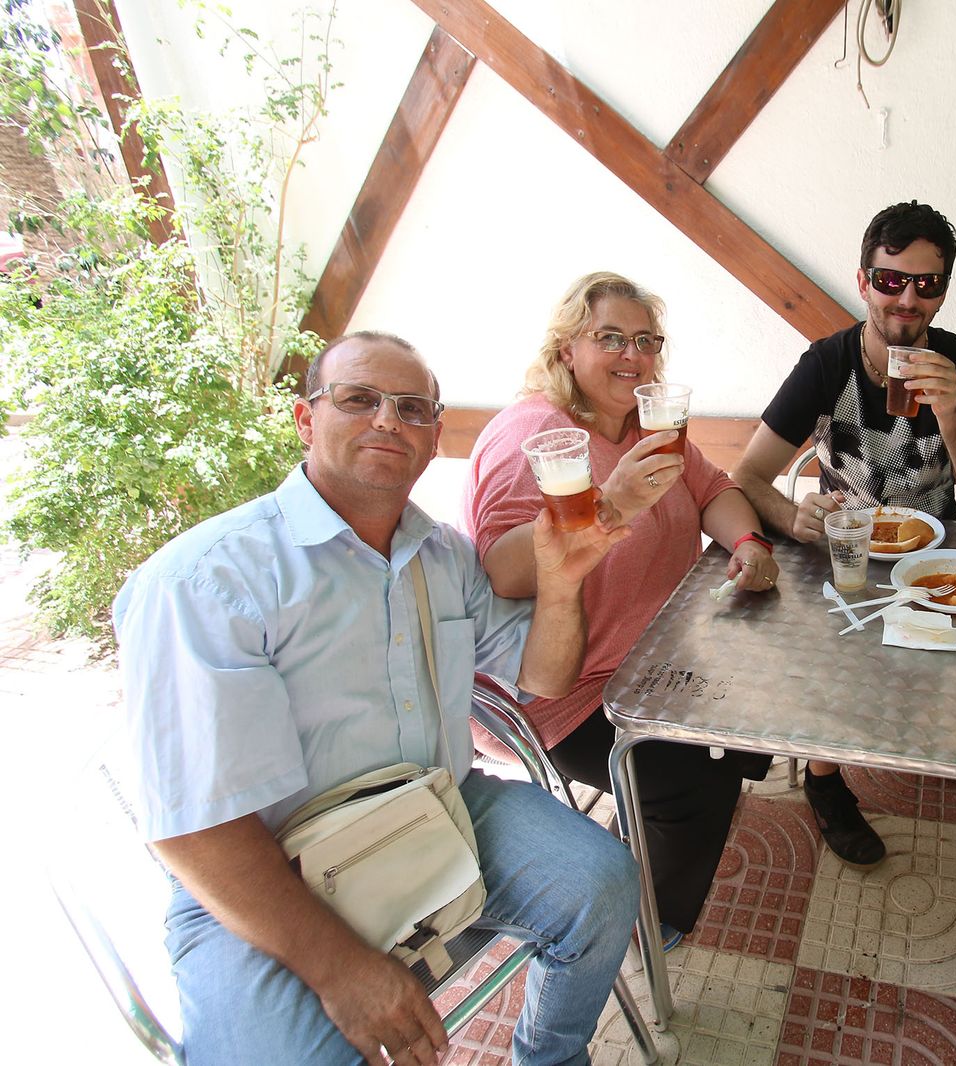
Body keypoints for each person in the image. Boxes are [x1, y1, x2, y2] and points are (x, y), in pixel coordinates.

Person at [113, 331, 640, 1066]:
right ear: (305, 419)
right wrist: (343, 970)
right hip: (270, 871)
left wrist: (563, 580)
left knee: (604, 881)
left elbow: (543, 679)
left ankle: (551, 1057)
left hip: (438, 809)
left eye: (413, 408)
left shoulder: (444, 554)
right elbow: (195, 830)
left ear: (432, 440)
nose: (388, 420)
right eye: (358, 399)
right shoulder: (206, 582)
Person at [462, 272, 778, 948]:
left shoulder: (646, 425)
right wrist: (614, 501)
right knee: (700, 777)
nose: (632, 355)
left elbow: (712, 486)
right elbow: (503, 570)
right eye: (611, 337)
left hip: (653, 659)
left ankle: (646, 823)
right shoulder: (536, 436)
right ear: (567, 347)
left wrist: (747, 540)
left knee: (757, 707)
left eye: (645, 340)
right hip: (560, 693)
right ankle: (642, 925)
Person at [733, 200, 956, 867]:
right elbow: (747, 476)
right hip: (847, 553)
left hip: (937, 551)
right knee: (830, 674)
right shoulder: (827, 365)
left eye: (927, 283)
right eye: (891, 280)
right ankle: (825, 780)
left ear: (943, 292)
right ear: (864, 282)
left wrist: (953, 416)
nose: (907, 298)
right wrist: (790, 515)